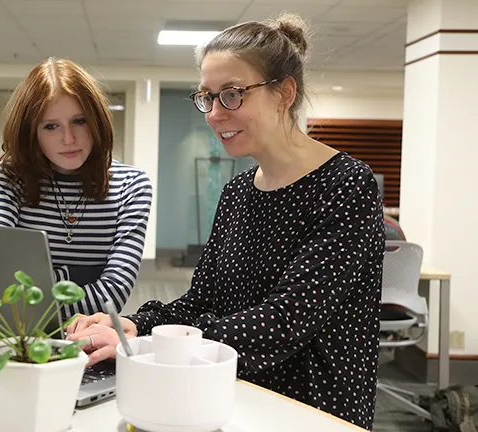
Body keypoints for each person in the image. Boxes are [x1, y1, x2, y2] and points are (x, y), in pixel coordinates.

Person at [66, 13, 385, 431]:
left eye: (232, 94)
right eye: (207, 97)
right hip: (232, 397)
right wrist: (132, 323)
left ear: (284, 94)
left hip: (311, 410)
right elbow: (201, 301)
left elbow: (284, 321)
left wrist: (150, 342)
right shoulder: (238, 194)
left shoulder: (346, 185)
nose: (214, 114)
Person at [0, 57, 153, 318]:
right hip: (22, 340)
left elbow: (112, 296)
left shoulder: (131, 187)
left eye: (80, 121)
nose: (69, 139)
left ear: (96, 121)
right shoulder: (11, 177)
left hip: (88, 340)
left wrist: (41, 284)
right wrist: (78, 275)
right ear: (31, 132)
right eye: (51, 126)